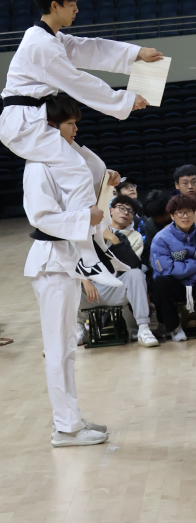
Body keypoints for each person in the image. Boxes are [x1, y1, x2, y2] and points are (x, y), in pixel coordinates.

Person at [0, 0, 162, 286]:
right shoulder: (40, 45)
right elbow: (78, 83)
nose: (76, 10)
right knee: (76, 169)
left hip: (36, 119)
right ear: (55, 6)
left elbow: (90, 49)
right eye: (72, 5)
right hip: (23, 124)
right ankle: (86, 257)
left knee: (95, 167)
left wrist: (136, 53)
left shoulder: (51, 38)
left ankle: (99, 245)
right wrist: (125, 100)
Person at [23, 95, 111, 447]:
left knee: (68, 347)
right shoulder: (38, 165)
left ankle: (70, 417)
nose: (76, 129)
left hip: (67, 262)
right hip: (52, 262)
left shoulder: (64, 159)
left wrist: (105, 185)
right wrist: (84, 217)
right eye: (70, 124)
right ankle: (66, 428)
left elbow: (90, 180)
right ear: (50, 126)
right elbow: (42, 218)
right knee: (58, 349)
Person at [78, 194, 158, 348]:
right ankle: (77, 328)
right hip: (86, 293)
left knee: (137, 274)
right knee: (63, 279)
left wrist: (114, 240)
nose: (125, 212)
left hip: (113, 289)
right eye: (121, 208)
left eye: (130, 211)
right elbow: (69, 263)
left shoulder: (120, 237)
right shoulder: (80, 236)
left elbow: (133, 264)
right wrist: (84, 280)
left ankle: (143, 329)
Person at [150, 195, 196, 341]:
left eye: (189, 212)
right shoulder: (160, 239)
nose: (185, 216)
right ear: (172, 216)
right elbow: (165, 269)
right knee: (160, 283)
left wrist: (190, 276)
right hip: (175, 284)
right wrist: (195, 264)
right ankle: (174, 327)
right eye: (180, 213)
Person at [141, 189, 172, 270]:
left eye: (155, 217)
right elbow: (149, 249)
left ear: (167, 213)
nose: (154, 220)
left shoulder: (182, 218)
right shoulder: (150, 223)